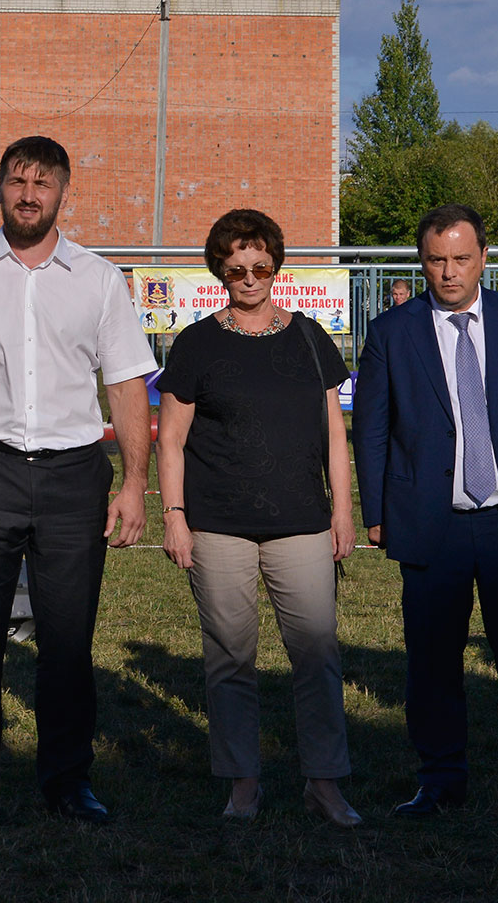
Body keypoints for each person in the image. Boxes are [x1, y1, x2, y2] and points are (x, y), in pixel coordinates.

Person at [0, 135, 156, 828]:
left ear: (64, 192)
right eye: (17, 180)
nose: (29, 194)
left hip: (74, 476)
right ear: (0, 188)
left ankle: (68, 781)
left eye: (43, 183)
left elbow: (126, 385)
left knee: (68, 644)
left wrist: (135, 483)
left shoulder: (99, 279)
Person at [353, 204, 498, 818]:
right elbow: (372, 429)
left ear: (484, 257)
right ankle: (439, 782)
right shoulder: (391, 332)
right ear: (421, 261)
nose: (449, 272)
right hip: (429, 522)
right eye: (436, 260)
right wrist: (377, 509)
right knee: (432, 664)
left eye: (461, 258)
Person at [155, 210, 359, 826]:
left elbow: (334, 435)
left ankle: (325, 784)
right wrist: (174, 515)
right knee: (229, 660)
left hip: (303, 521)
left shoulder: (311, 338)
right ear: (219, 270)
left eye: (260, 266)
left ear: (276, 268)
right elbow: (171, 440)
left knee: (317, 657)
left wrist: (343, 511)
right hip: (217, 525)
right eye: (236, 267)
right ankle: (242, 785)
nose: (249, 277)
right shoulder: (196, 343)